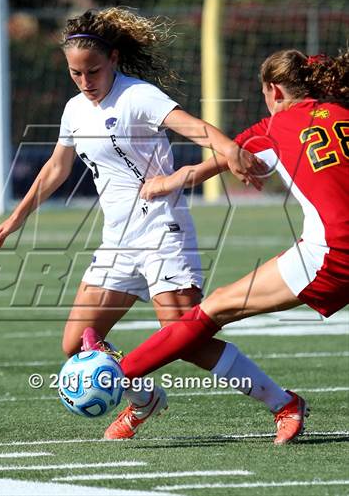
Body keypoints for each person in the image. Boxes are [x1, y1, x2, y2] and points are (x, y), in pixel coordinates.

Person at [0, 7, 289, 441]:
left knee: (187, 341)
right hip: (118, 242)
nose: (85, 82)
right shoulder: (74, 111)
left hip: (163, 231)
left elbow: (197, 129)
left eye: (93, 71)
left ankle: (283, 403)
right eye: (76, 73)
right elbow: (56, 167)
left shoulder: (137, 96)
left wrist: (232, 152)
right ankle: (144, 400)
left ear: (114, 60)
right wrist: (16, 217)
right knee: (76, 344)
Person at [85, 48, 349, 445]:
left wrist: (163, 183)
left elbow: (206, 167)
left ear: (273, 90)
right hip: (331, 249)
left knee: (212, 310)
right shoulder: (343, 113)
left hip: (333, 254)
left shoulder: (273, 129)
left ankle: (120, 374)